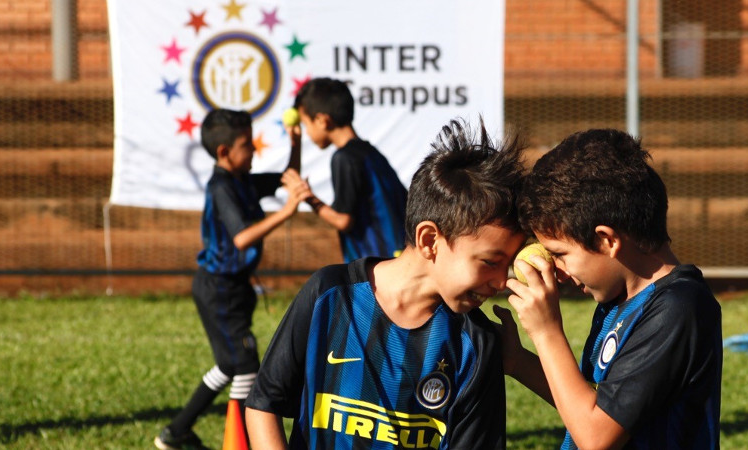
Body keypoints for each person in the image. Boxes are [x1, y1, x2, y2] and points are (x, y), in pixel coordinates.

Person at [245, 118, 526, 449]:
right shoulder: (330, 295)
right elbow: (264, 405)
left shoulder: (476, 344)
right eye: (491, 262)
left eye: (508, 265)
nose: (500, 281)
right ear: (429, 239)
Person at [496, 129, 722, 449]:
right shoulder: (620, 300)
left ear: (607, 240)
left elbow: (596, 437)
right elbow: (598, 405)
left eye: (560, 254)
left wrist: (546, 332)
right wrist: (517, 361)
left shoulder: (679, 308)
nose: (557, 271)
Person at [155, 109, 313, 450]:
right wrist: (286, 211)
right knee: (246, 366)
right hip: (218, 289)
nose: (254, 150)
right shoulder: (222, 187)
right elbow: (242, 238)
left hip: (233, 287)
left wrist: (296, 143)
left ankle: (176, 431)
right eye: (247, 144)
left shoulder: (242, 179)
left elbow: (287, 178)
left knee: (230, 364)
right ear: (224, 152)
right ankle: (241, 442)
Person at [283, 77, 408, 263]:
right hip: (398, 259)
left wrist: (308, 198)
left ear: (322, 120)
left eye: (306, 124)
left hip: (375, 268)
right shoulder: (371, 153)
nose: (307, 132)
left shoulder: (343, 158)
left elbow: (343, 221)